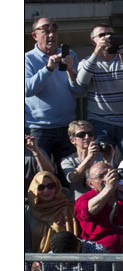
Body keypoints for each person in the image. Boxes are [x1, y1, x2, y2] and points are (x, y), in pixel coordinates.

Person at [75, 23, 123, 158]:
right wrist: (96, 53)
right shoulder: (87, 62)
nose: (107, 37)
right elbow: (81, 82)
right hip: (100, 121)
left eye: (110, 35)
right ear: (93, 41)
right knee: (101, 163)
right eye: (101, 35)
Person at [24, 15, 81, 165]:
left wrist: (70, 70)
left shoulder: (69, 55)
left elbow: (79, 91)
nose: (51, 34)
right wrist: (48, 68)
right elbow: (27, 89)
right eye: (45, 30)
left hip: (67, 126)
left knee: (69, 173)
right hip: (38, 128)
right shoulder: (27, 59)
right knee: (41, 176)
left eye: (54, 30)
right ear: (35, 35)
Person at [74, 160, 123, 252]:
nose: (108, 177)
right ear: (91, 184)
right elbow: (88, 211)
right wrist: (108, 188)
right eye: (101, 176)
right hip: (97, 254)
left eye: (110, 173)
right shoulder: (84, 199)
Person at [27, 170, 79, 254]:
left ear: (57, 187)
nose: (46, 191)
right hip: (37, 263)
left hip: (66, 261)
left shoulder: (68, 208)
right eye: (41, 187)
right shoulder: (28, 212)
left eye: (51, 186)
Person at [60, 119, 107, 199]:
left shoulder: (102, 156)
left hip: (101, 199)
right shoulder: (67, 160)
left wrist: (109, 159)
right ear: (72, 140)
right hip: (80, 202)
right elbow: (73, 179)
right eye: (81, 135)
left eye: (90, 134)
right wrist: (89, 157)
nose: (87, 137)